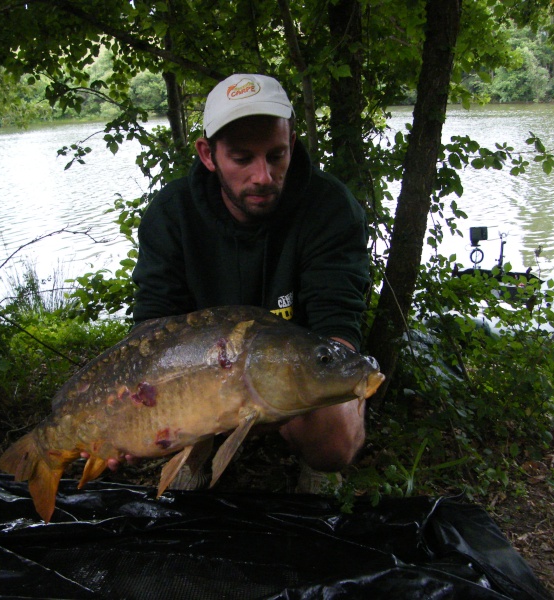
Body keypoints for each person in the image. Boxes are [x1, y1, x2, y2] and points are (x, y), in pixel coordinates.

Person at [113, 73, 371, 492]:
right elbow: (152, 329)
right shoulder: (171, 213)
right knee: (144, 426)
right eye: (242, 158)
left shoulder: (329, 208)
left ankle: (318, 467)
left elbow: (338, 323)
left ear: (292, 142)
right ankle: (193, 457)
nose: (263, 176)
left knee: (334, 438)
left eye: (276, 155)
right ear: (208, 155)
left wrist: (339, 375)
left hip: (292, 374)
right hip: (201, 382)